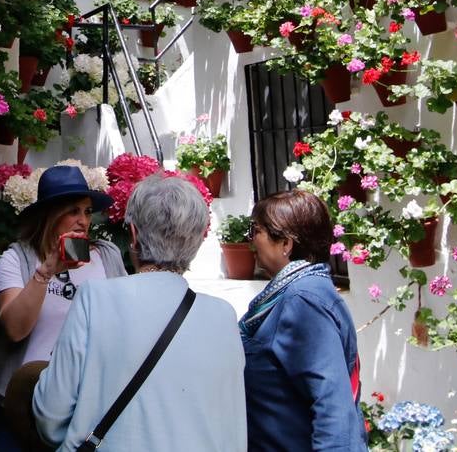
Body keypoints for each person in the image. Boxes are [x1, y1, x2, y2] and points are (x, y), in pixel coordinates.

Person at [32, 174, 247, 451]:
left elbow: (50, 415)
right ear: (196, 241)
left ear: (133, 235)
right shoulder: (223, 316)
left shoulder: (96, 298)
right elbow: (233, 429)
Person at [0, 165, 125, 452]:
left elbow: (126, 322)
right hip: (22, 406)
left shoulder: (106, 257)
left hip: (85, 407)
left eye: (87, 212)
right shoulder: (18, 259)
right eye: (73, 211)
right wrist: (46, 271)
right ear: (49, 215)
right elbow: (15, 329)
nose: (83, 220)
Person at [241, 189, 368, 451]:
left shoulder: (304, 300)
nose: (250, 240)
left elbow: (333, 410)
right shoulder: (299, 293)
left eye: (256, 231)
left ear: (286, 244)